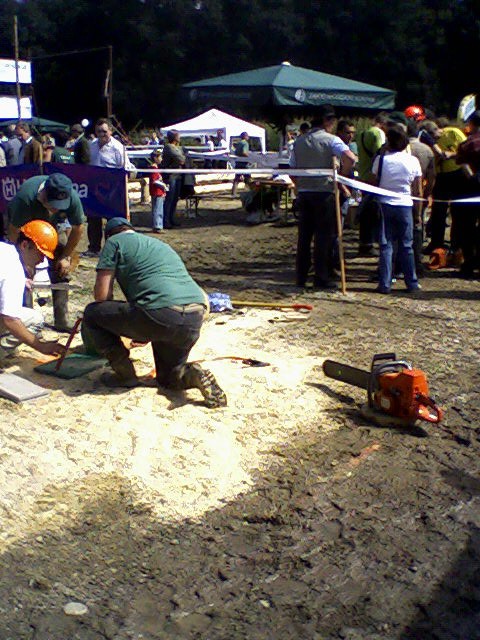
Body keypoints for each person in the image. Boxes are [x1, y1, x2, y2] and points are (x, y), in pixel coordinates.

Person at [81, 217, 227, 408]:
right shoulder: (160, 244)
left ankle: (125, 375)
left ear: (109, 235)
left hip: (160, 314)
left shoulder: (114, 242)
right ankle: (192, 374)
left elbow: (101, 296)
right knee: (168, 379)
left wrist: (124, 330)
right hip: (193, 315)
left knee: (92, 313)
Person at [7, 173, 86, 331]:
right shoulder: (25, 198)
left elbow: (78, 228)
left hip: (53, 228)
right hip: (25, 228)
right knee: (23, 273)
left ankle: (61, 320)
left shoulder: (72, 198)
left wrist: (65, 256)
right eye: (53, 204)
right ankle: (27, 321)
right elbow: (14, 231)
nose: (56, 208)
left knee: (62, 270)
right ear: (43, 196)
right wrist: (23, 261)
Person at [289, 104, 356, 289]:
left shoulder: (299, 141)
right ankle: (321, 277)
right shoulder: (332, 140)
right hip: (325, 192)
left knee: (304, 237)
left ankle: (300, 277)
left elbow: (291, 169)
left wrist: (299, 184)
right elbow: (351, 158)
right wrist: (341, 175)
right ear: (328, 121)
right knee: (323, 238)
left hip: (305, 193)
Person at [0, 220, 66, 361]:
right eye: (40, 254)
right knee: (35, 319)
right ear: (24, 245)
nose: (42, 260)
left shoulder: (4, 250)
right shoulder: (14, 269)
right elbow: (9, 319)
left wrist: (22, 281)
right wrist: (40, 346)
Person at [372, 124, 423, 294]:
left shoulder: (381, 159)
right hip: (405, 205)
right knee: (407, 246)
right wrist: (418, 213)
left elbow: (374, 183)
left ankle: (385, 283)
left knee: (386, 245)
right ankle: (412, 282)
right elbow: (418, 190)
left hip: (384, 204)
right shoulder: (412, 161)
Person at [85, 118, 135, 256]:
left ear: (111, 131)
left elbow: (126, 168)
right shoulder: (91, 146)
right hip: (95, 189)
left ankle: (112, 250)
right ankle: (93, 248)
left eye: (104, 131)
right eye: (98, 131)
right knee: (93, 220)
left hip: (112, 191)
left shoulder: (118, 148)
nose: (101, 134)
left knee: (112, 222)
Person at [356, 112, 389, 256]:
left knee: (365, 211)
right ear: (383, 124)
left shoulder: (362, 134)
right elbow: (381, 153)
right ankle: (370, 243)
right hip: (374, 178)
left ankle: (364, 242)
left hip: (363, 175)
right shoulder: (378, 134)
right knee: (374, 212)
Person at [455, 110, 480, 278]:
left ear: (472, 125)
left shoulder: (469, 143)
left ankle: (469, 263)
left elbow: (462, 164)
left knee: (467, 227)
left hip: (471, 189)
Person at [161, 130, 186, 228]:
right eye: (178, 136)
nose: (179, 137)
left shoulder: (177, 147)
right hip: (171, 176)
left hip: (178, 176)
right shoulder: (168, 147)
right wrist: (184, 156)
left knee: (175, 199)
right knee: (169, 199)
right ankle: (165, 220)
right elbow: (181, 159)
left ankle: (171, 219)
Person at [148, 150, 167, 232]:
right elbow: (154, 181)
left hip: (158, 191)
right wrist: (163, 185)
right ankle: (157, 226)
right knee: (158, 209)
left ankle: (158, 225)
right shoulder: (153, 169)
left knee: (158, 208)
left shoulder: (155, 168)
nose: (161, 159)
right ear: (155, 158)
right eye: (160, 157)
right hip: (157, 192)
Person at [231, 132, 250, 196]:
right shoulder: (245, 143)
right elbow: (244, 152)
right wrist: (249, 158)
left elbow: (236, 152)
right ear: (245, 136)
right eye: (247, 136)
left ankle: (233, 193)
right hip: (244, 164)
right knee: (248, 179)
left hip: (238, 163)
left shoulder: (238, 143)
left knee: (236, 179)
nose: (248, 137)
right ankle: (249, 192)